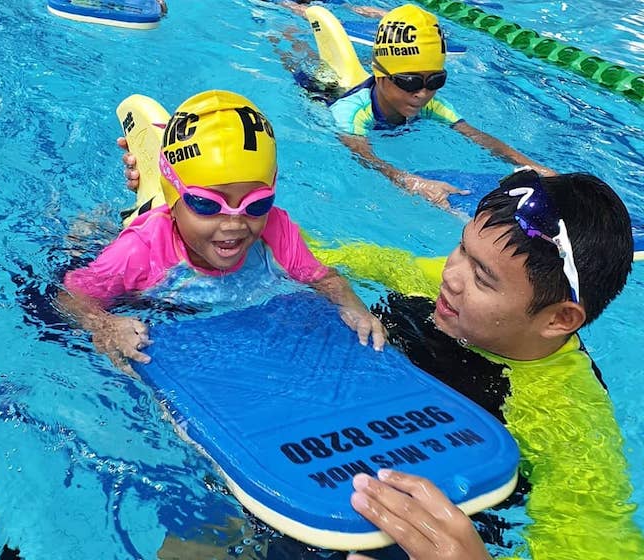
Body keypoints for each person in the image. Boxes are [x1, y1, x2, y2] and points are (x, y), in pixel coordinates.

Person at [310, 170, 643, 558]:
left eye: (483, 279)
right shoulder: (446, 283)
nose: (450, 276)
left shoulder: (565, 417)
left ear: (559, 320)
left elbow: (593, 542)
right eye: (462, 248)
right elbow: (331, 259)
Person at [59, 90, 386, 374]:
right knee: (85, 238)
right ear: (176, 200)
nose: (234, 224)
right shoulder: (139, 251)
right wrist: (106, 325)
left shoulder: (277, 228)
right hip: (153, 257)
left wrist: (354, 307)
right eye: (206, 204)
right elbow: (73, 298)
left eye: (256, 204)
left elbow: (324, 278)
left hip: (176, 205)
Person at [274, 3, 555, 209]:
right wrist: (411, 181)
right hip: (326, 92)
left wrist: (533, 166)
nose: (422, 93)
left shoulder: (431, 104)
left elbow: (477, 136)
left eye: (435, 80)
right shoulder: (352, 111)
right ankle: (281, 22)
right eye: (409, 82)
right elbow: (363, 156)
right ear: (380, 75)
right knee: (302, 62)